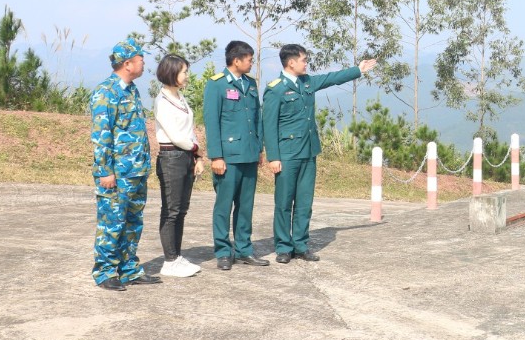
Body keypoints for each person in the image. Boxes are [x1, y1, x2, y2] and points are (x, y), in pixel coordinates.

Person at [262, 44, 377, 264]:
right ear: (291, 62)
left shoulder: (307, 82)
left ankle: (300, 245)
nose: (306, 63)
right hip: (287, 154)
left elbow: (331, 79)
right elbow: (268, 125)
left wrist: (358, 70)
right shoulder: (275, 89)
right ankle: (283, 247)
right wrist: (273, 157)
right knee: (284, 203)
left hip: (308, 151)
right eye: (303, 60)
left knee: (304, 202)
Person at [90, 37, 161, 291]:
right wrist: (105, 171)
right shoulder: (106, 92)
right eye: (141, 59)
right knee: (112, 224)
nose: (144, 64)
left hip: (136, 171)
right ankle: (105, 272)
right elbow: (101, 136)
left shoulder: (131, 90)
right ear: (127, 63)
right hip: (117, 174)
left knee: (133, 223)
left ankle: (129, 269)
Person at [204, 40, 269, 270]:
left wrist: (259, 149)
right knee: (224, 207)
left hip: (249, 155)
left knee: (245, 206)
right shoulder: (217, 84)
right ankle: (223, 251)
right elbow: (212, 122)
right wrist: (216, 156)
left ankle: (244, 250)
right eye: (249, 60)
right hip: (228, 157)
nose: (251, 63)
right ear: (236, 60)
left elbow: (257, 118)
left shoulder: (250, 84)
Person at [152, 54, 204, 278]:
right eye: (184, 72)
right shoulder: (162, 101)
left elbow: (189, 130)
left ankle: (177, 255)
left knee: (181, 210)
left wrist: (197, 156)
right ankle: (169, 260)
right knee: (171, 210)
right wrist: (196, 149)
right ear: (172, 73)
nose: (187, 76)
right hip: (171, 157)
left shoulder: (180, 97)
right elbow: (175, 135)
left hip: (186, 155)